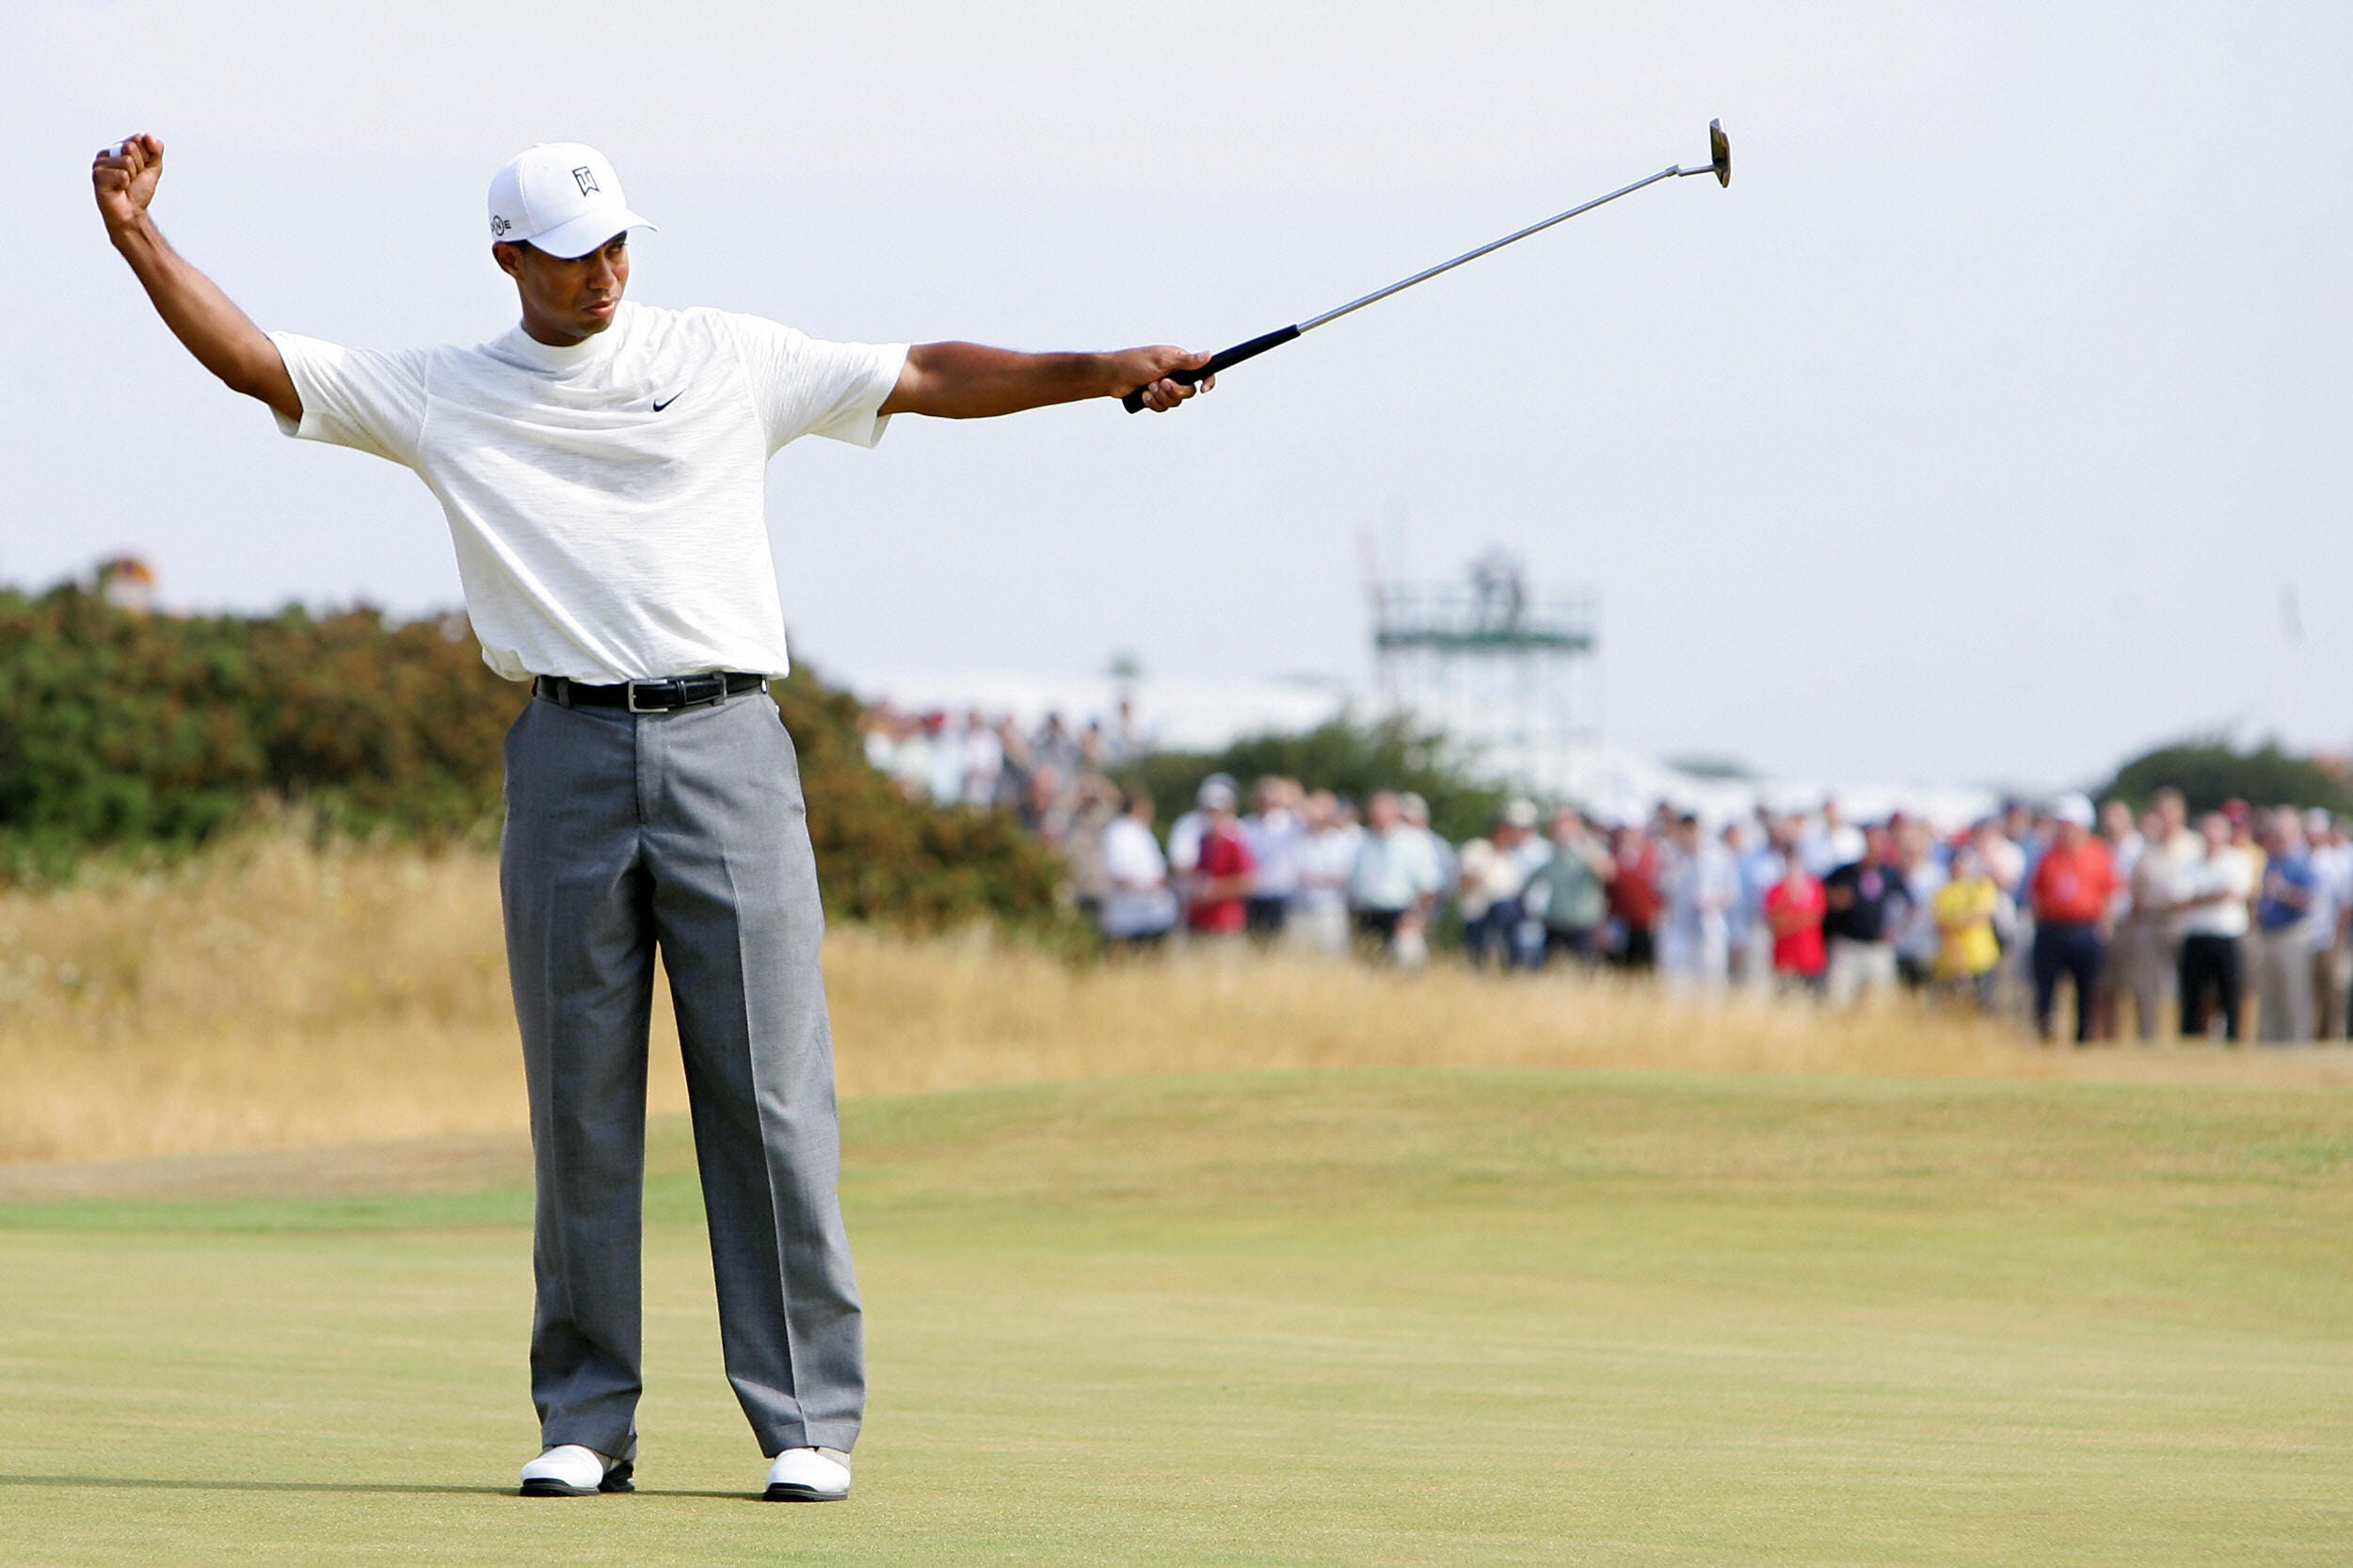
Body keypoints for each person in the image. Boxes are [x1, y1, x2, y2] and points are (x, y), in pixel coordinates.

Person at [91, 131, 1217, 1503]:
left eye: (620, 244)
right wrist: (142, 238)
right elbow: (262, 362)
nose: (605, 274)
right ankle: (585, 1416)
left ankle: (806, 1417)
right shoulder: (449, 392)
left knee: (769, 1093)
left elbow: (921, 373)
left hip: (729, 743)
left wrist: (1100, 369)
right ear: (509, 258)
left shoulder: (724, 355)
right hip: (562, 752)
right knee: (580, 1102)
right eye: (572, 258)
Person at [2025, 793, 2118, 1044]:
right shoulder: (2048, 855)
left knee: (2087, 990)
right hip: (2052, 928)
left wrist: (2104, 925)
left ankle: (2084, 1037)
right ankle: (2045, 1034)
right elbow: (2037, 891)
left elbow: (2108, 891)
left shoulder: (2099, 853)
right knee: (2046, 989)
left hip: (2085, 929)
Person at [2171, 810, 2255, 1042]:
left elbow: (2234, 892)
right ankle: (2190, 1039)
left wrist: (2198, 898)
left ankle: (2233, 1037)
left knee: (2230, 991)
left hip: (2226, 935)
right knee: (2193, 994)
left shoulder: (2237, 860)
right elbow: (2179, 898)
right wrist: (2212, 895)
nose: (2210, 835)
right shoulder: (2189, 863)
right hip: (2196, 935)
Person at [1348, 791, 1442, 965]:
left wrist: (1417, 916)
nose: (1377, 815)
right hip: (1368, 914)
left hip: (1402, 915)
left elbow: (1429, 885)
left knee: (1404, 967)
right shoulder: (1363, 841)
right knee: (1368, 967)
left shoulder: (1413, 841)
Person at [1820, 824, 1909, 1008]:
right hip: (1848, 946)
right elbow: (1822, 892)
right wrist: (1835, 901)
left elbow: (1906, 904)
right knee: (1838, 1003)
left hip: (1878, 949)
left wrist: (1897, 931)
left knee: (1880, 1006)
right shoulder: (1844, 872)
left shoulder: (1890, 873)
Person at [2249, 810, 2316, 1043]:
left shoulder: (2299, 862)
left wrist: (2284, 891)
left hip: (2291, 933)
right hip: (2267, 933)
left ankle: (2296, 1042)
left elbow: (2309, 898)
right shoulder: (2269, 861)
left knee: (2293, 994)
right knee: (2268, 994)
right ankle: (2268, 1042)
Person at [1522, 808, 1614, 966]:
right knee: (1546, 968)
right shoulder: (1548, 854)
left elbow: (1609, 873)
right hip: (1555, 922)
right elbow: (1529, 883)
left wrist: (1583, 845)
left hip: (1583, 924)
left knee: (1587, 970)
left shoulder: (1590, 849)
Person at [1657, 812, 1737, 996]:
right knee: (1678, 987)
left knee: (1711, 987)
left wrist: (1711, 901)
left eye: (1692, 830)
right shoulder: (1671, 856)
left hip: (1710, 929)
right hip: (1679, 929)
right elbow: (1662, 888)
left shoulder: (1719, 856)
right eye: (1685, 830)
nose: (1689, 834)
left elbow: (1731, 893)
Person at [1097, 790, 1178, 948]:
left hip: (1152, 915)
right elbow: (1120, 875)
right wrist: (1151, 886)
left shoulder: (1141, 831)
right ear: (1137, 806)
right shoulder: (1119, 832)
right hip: (1130, 918)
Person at [1932, 843, 2003, 1008]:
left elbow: (1983, 914)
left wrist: (1955, 919)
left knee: (1984, 1006)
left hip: (1981, 958)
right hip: (1954, 962)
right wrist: (1965, 918)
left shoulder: (1981, 885)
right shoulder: (1944, 892)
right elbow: (1942, 924)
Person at [1240, 776, 1305, 942]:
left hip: (1280, 893)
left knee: (1278, 941)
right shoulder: (1247, 825)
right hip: (1254, 894)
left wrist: (1290, 797)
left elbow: (1312, 816)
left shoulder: (1287, 822)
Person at [1761, 855, 1828, 993]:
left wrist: (1790, 919)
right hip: (1785, 960)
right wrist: (1798, 915)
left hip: (1811, 959)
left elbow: (1816, 916)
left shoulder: (1814, 887)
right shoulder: (1776, 891)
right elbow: (1775, 924)